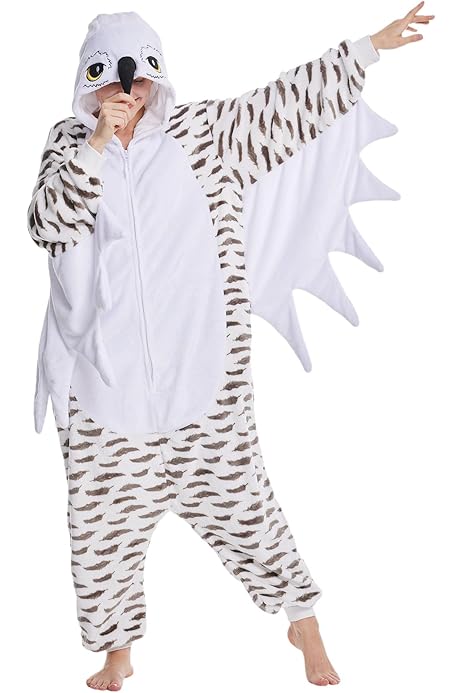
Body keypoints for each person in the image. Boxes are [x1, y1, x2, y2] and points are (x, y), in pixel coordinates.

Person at [26, 4, 434, 690]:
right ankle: (117, 650)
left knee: (250, 513)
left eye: (140, 77)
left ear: (157, 76)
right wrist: (96, 144)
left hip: (204, 383)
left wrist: (365, 49)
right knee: (99, 535)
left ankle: (303, 621)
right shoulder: (68, 144)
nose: (128, 92)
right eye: (113, 79)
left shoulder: (202, 135)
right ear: (88, 82)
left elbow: (283, 108)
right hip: (104, 394)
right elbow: (48, 223)